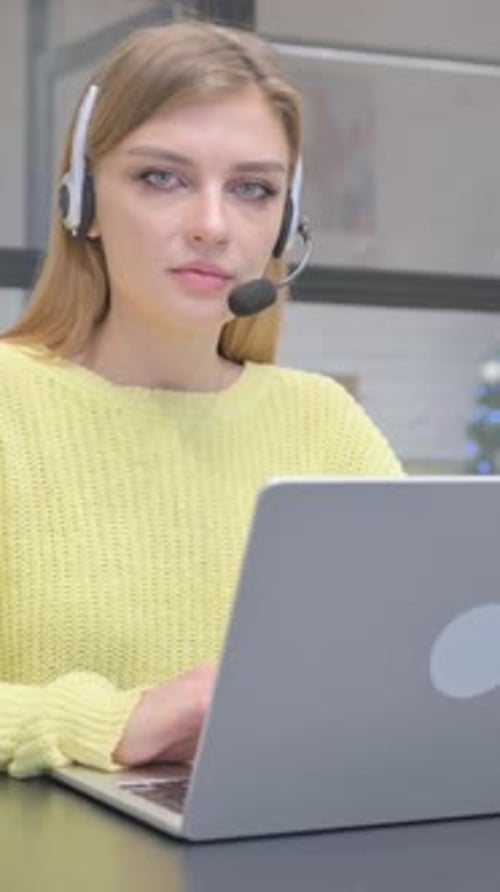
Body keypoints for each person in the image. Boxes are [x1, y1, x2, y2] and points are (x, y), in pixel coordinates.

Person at [0, 20, 403, 780]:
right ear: (82, 201)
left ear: (284, 222)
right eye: (162, 177)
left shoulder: (324, 423)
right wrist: (121, 721)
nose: (213, 226)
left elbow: (411, 663)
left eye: (253, 189)